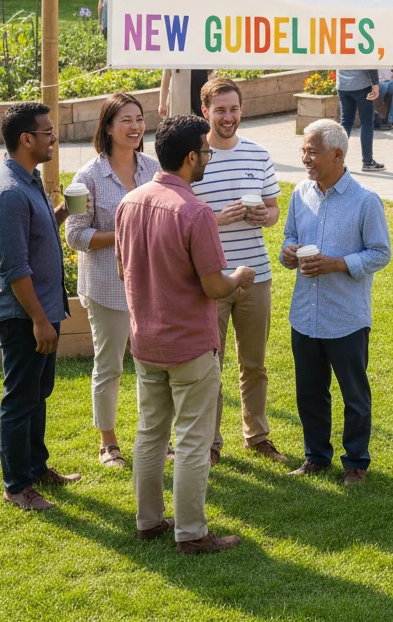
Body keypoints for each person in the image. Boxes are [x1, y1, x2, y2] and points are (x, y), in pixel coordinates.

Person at [115, 115, 255, 554]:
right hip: (190, 346)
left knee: (150, 432)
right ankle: (192, 534)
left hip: (145, 343)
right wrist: (241, 277)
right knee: (193, 441)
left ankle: (149, 522)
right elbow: (215, 286)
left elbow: (125, 269)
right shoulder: (195, 212)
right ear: (192, 157)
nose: (209, 158)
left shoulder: (130, 202)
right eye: (207, 152)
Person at [280, 120, 392, 485]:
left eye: (312, 152)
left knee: (354, 394)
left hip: (346, 317)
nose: (305, 158)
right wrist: (289, 253)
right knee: (310, 392)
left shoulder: (365, 201)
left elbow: (380, 253)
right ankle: (316, 456)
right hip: (305, 315)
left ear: (337, 154)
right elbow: (290, 238)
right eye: (304, 150)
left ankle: (356, 461)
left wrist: (338, 264)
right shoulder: (300, 193)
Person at [0, 102, 80, 511]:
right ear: (26, 139)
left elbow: (34, 238)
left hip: (43, 311)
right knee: (20, 397)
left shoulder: (30, 179)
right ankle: (17, 485)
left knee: (38, 392)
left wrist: (61, 213)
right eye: (47, 133)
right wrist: (40, 321)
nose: (53, 138)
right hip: (24, 316)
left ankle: (37, 468)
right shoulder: (7, 192)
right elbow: (14, 268)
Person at [191, 79, 286, 466]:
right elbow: (185, 220)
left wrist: (266, 216)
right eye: (220, 111)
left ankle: (257, 436)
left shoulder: (258, 154)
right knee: (209, 366)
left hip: (256, 276)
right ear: (205, 113)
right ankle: (211, 444)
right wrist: (216, 219)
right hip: (211, 281)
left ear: (241, 111)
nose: (228, 117)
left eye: (233, 109)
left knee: (255, 364)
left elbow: (274, 210)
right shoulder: (195, 157)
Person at [65, 94, 159, 469]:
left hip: (152, 284)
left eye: (139, 119)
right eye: (126, 120)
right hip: (107, 286)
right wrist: (124, 234)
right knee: (110, 366)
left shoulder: (153, 168)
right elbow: (75, 236)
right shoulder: (84, 179)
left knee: (152, 365)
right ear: (107, 127)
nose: (135, 127)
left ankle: (153, 438)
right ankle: (108, 444)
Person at [336, 68, 384, 171]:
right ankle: (367, 162)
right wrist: (375, 83)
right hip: (362, 85)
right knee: (366, 122)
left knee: (345, 123)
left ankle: (336, 161)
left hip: (342, 85)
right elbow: (369, 60)